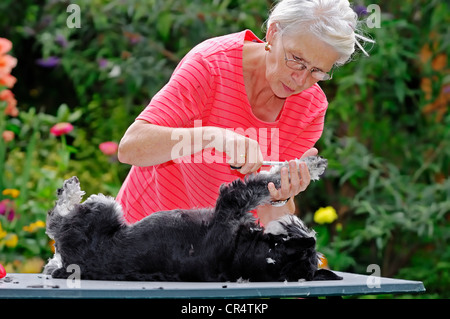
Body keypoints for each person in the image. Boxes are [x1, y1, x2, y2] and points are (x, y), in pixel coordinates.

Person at [117, 0, 368, 225]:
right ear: (272, 33)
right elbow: (130, 148)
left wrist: (280, 197)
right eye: (296, 60)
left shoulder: (310, 108)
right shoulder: (212, 64)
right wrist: (214, 137)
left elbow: (271, 220)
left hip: (213, 254)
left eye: (317, 71)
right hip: (142, 236)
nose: (300, 79)